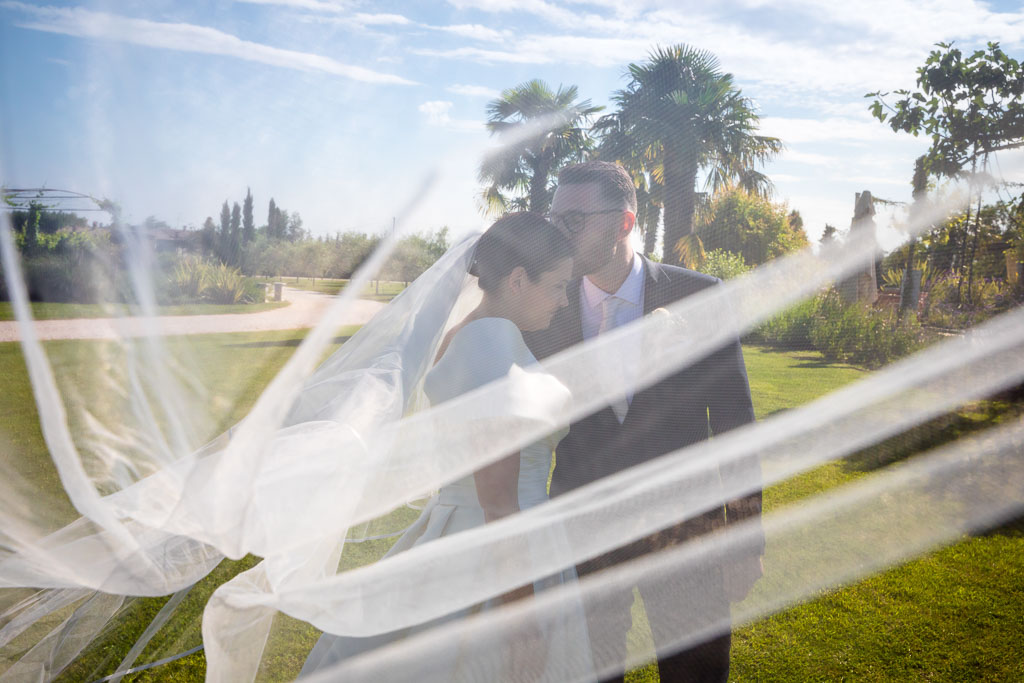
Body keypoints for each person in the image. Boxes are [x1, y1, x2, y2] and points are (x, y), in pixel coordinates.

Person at [299, 211, 596, 681]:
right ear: (518, 280)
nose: (564, 302)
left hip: (465, 529)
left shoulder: (469, 335)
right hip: (496, 549)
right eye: (558, 286)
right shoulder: (489, 343)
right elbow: (498, 501)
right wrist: (523, 628)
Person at [525, 161, 765, 683]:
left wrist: (745, 538)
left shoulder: (699, 295)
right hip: (582, 537)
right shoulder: (544, 311)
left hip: (686, 537)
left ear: (625, 223)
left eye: (574, 220)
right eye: (555, 217)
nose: (559, 232)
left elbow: (735, 424)